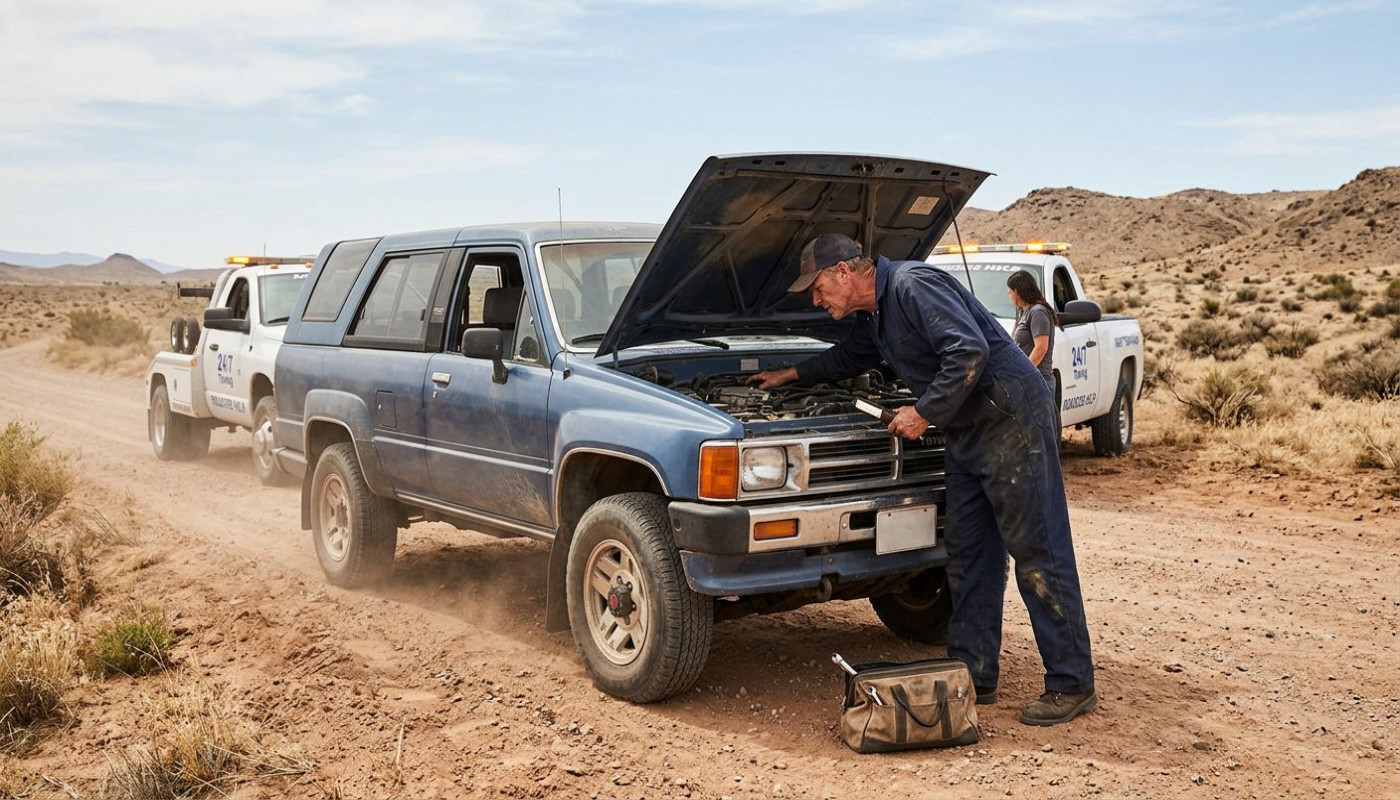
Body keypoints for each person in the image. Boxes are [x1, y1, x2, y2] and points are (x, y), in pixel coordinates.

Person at [750, 233, 1096, 726]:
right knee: (970, 553)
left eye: (819, 288)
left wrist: (922, 411)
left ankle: (1071, 682)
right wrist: (789, 375)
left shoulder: (912, 285)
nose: (816, 300)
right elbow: (847, 360)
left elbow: (968, 351)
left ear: (844, 272)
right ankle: (973, 674)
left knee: (1038, 549)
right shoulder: (875, 315)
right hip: (967, 430)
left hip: (1009, 418)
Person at [1007, 269, 1057, 391]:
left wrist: (1024, 373)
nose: (1009, 295)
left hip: (1038, 382)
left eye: (1010, 292)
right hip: (1026, 382)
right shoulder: (1023, 312)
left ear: (1016, 291)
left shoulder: (1038, 312)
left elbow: (1041, 348)